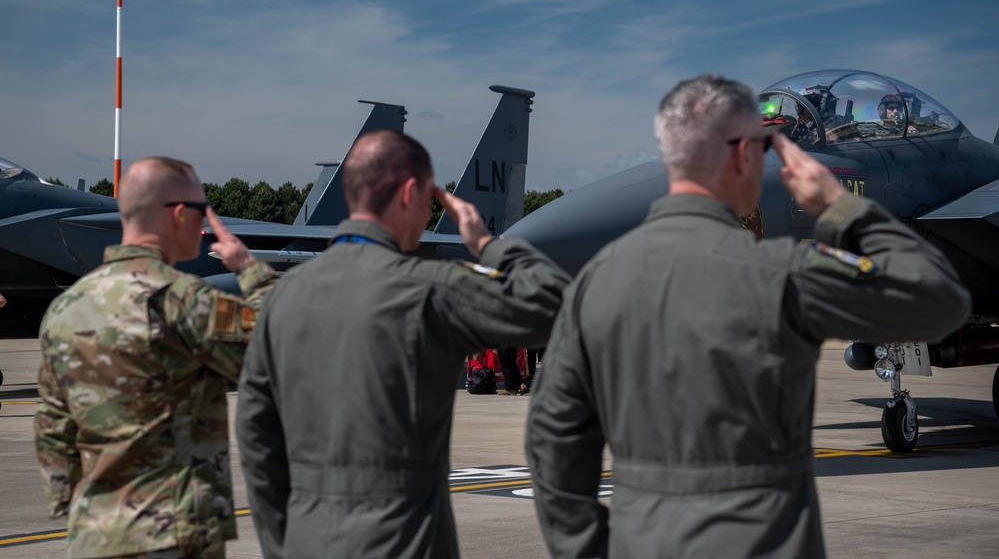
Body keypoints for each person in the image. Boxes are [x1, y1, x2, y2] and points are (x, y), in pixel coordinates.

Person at [525, 74, 970, 559]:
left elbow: (553, 440)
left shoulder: (595, 283)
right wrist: (844, 210)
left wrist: (584, 546)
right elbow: (938, 301)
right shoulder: (785, 272)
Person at [236, 130, 570, 559]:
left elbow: (255, 435)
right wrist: (488, 245)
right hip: (406, 540)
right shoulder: (431, 289)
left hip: (308, 539)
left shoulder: (281, 297)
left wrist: (282, 543)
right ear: (411, 193)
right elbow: (555, 303)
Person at [34, 156, 278, 559]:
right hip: (172, 534)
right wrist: (252, 271)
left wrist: (76, 507)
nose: (205, 223)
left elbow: (53, 425)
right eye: (202, 211)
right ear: (179, 215)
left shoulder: (66, 309)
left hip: (94, 535)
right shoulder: (186, 301)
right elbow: (281, 345)